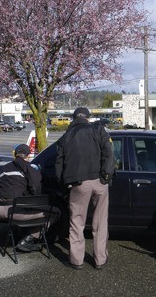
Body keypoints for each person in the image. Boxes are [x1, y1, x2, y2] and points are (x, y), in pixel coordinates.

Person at [55, 107, 115, 270]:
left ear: (73, 118)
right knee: (101, 222)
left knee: (77, 222)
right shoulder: (98, 129)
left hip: (77, 184)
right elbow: (109, 153)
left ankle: (76, 261)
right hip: (100, 182)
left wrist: (64, 186)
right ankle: (100, 260)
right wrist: (106, 177)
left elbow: (58, 165)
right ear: (88, 118)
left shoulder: (66, 136)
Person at [0, 144, 60, 252]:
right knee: (55, 212)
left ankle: (21, 234)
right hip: (14, 211)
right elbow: (36, 188)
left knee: (24, 208)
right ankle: (28, 240)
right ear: (28, 156)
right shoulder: (29, 169)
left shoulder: (3, 169)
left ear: (15, 154)